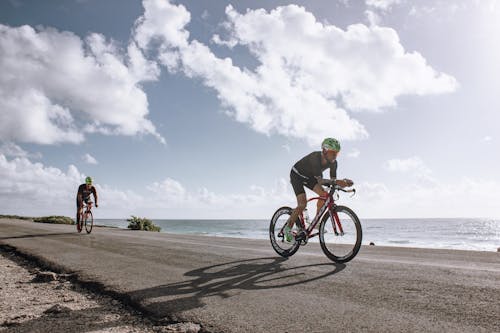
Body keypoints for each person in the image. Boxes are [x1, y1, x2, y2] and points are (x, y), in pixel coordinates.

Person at [285, 138, 353, 242]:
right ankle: (287, 229)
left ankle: (316, 223)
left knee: (325, 195)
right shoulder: (315, 158)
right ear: (325, 151)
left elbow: (332, 181)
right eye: (332, 152)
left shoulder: (334, 163)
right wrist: (338, 182)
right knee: (302, 204)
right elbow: (321, 181)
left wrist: (342, 183)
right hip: (297, 175)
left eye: (337, 153)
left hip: (310, 177)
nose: (335, 155)